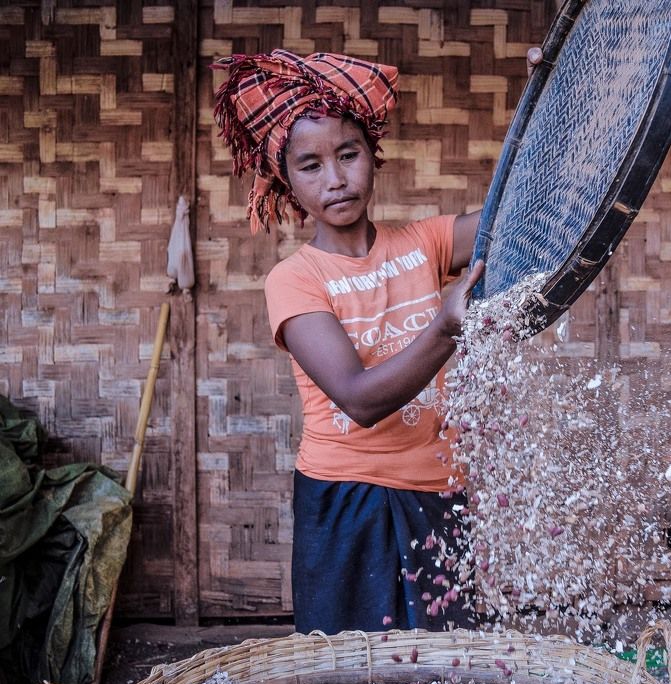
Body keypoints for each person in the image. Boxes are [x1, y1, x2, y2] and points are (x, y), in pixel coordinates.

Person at [211, 47, 540, 634]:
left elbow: (518, 216)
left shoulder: (425, 242)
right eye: (310, 166)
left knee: (442, 669)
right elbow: (358, 399)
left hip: (438, 489)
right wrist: (446, 326)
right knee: (349, 677)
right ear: (287, 180)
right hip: (344, 501)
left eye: (348, 154)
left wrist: (545, 99)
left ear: (372, 157)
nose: (335, 179)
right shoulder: (295, 279)